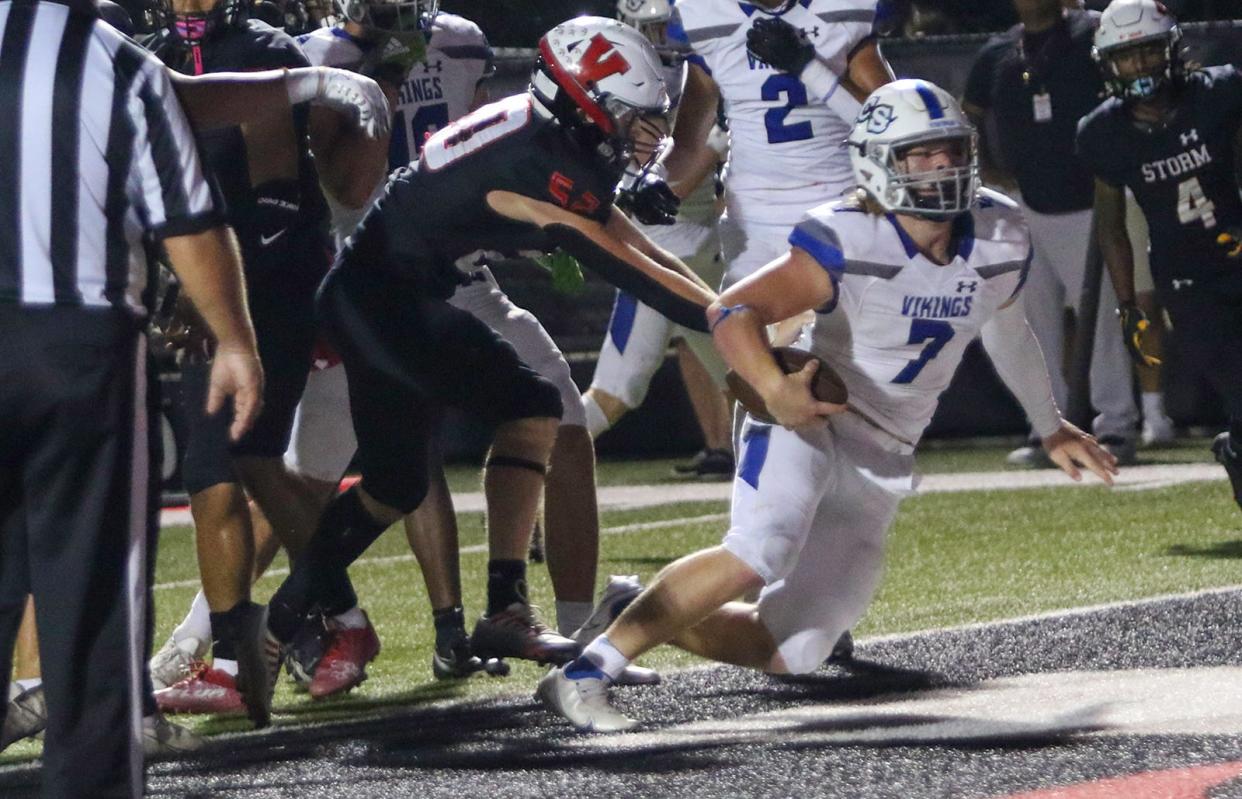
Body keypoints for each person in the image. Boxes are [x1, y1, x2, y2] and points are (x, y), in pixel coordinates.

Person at [538, 80, 1119, 732]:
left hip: (885, 444)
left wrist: (1049, 423)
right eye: (917, 155)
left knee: (795, 647)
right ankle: (584, 674)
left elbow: (1007, 329)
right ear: (878, 162)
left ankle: (630, 607)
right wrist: (777, 388)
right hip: (808, 403)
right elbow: (731, 312)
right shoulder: (847, 234)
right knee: (763, 545)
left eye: (948, 150)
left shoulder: (1001, 233)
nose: (939, 167)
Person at [259, 16, 716, 681]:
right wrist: (737, 321)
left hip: (389, 293)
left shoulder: (541, 132)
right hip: (388, 298)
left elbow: (642, 250)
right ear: (583, 100)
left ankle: (273, 623)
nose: (642, 136)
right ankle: (502, 609)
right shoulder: (544, 160)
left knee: (393, 484)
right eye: (628, 116)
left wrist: (732, 309)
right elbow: (636, 272)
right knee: (529, 406)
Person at [0, 0, 262, 792]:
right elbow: (188, 215)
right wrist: (237, 339)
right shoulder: (116, 63)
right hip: (75, 347)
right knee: (92, 607)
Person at [139, 0, 338, 728]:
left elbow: (277, 198)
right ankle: (324, 618)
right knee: (240, 459)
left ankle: (238, 654)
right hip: (214, 288)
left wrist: (213, 296)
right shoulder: (145, 54)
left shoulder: (259, 49)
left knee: (218, 461)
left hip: (268, 282)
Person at [1077, 0, 1242, 508]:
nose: (1139, 67)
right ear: (1108, 64)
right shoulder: (1102, 131)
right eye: (1126, 57)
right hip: (1189, 279)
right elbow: (1110, 228)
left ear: (1171, 49)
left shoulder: (1221, 92)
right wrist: (1128, 305)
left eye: (1148, 52)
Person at [962, 0, 1140, 467]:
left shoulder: (1089, 34)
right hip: (1020, 205)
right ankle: (1047, 429)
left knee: (1100, 320)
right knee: (1029, 323)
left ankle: (1116, 425)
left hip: (1087, 197)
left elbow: (1123, 94)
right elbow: (971, 113)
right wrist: (991, 172)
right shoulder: (998, 51)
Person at [582, 0, 735, 480]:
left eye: (666, 25)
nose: (666, 37)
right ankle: (534, 473)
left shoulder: (702, 68)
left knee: (748, 379)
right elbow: (665, 170)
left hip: (704, 248)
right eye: (652, 27)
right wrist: (717, 142)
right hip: (658, 251)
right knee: (616, 391)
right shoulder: (626, 80)